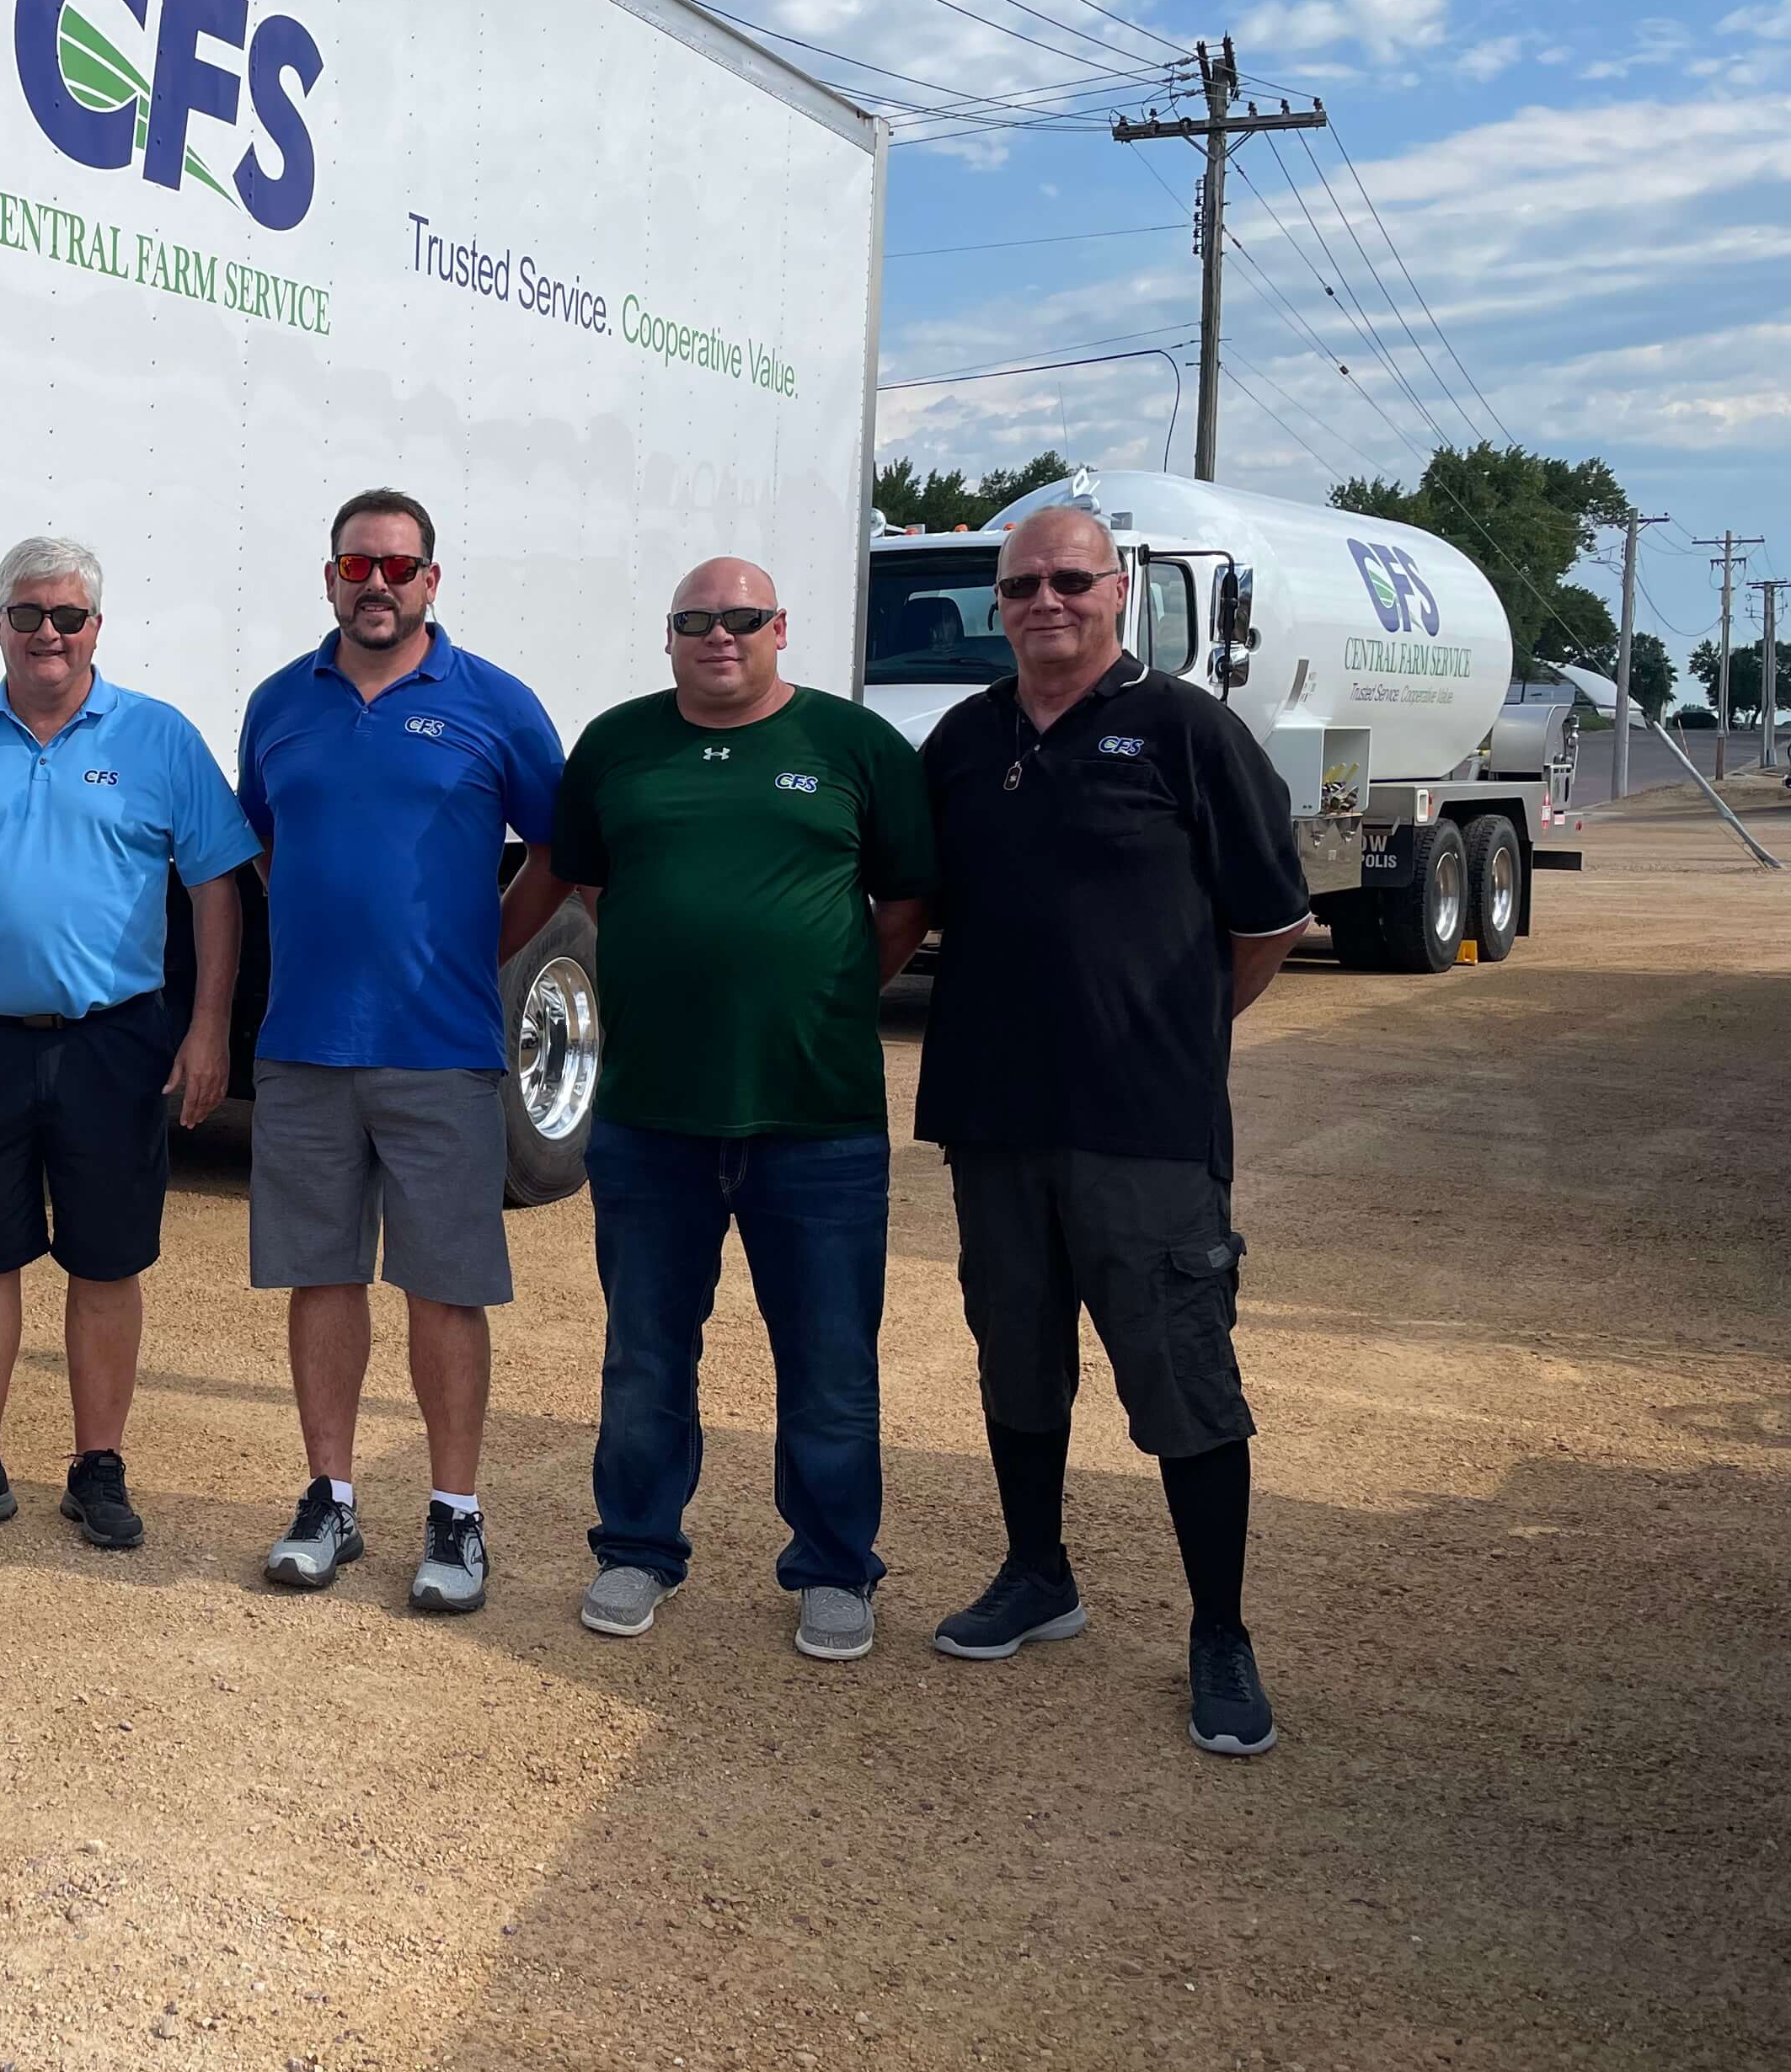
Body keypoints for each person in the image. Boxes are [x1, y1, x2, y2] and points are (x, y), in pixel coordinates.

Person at [915, 502, 1311, 1755]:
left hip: (1144, 1128)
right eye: (1023, 584)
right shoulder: (964, 742)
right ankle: (1040, 1574)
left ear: (1119, 589)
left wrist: (1167, 1026)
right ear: (999, 601)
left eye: (1071, 581)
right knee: (1015, 1355)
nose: (1047, 602)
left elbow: (1268, 924)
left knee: (1182, 1379)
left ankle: (1219, 1635)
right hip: (994, 1116)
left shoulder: (1191, 730)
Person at [514, 555, 933, 1661]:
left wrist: (830, 988)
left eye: (742, 618)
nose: (720, 636)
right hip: (653, 1116)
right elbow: (594, 882)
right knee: (647, 1353)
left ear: (780, 628)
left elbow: (907, 898)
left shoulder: (855, 748)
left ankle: (835, 1568)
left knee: (832, 1359)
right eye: (696, 620)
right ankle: (638, 1548)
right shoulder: (620, 745)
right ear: (670, 637)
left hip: (819, 1116)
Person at [0, 537, 259, 1554]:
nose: (48, 633)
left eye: (67, 616)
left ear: (95, 629)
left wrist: (208, 1027)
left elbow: (217, 889)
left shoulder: (160, 738)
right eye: (27, 614)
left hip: (114, 1043)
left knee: (105, 1259)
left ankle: (98, 1466)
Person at [234, 488, 564, 1614]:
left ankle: (455, 1516)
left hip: (442, 1052)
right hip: (306, 1049)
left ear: (432, 580)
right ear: (330, 577)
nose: (378, 585)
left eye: (399, 567)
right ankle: (328, 1496)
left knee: (443, 1288)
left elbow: (562, 850)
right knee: (320, 1278)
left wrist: (491, 939)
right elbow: (267, 844)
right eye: (357, 566)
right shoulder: (279, 703)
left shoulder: (494, 704)